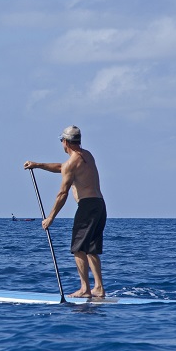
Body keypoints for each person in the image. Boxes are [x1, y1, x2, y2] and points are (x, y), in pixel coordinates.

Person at [24, 125, 107, 298]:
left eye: (62, 140)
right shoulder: (87, 156)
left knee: (78, 248)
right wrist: (38, 165)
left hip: (87, 207)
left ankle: (85, 289)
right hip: (100, 205)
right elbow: (63, 167)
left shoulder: (72, 163)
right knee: (91, 249)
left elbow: (62, 193)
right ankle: (98, 288)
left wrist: (50, 218)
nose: (61, 143)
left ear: (66, 142)